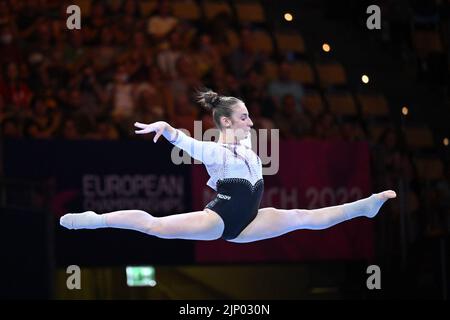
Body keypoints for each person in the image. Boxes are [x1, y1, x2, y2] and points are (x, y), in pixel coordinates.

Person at [60, 89, 397, 243]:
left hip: (251, 223)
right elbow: (186, 142)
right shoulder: (213, 151)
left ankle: (364, 208)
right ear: (225, 121)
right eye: (244, 116)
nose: (250, 122)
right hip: (219, 222)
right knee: (155, 226)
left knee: (303, 218)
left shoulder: (250, 150)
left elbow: (233, 125)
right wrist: (166, 128)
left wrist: (222, 102)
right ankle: (96, 220)